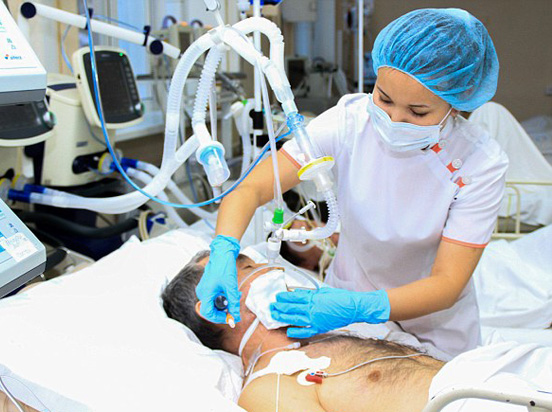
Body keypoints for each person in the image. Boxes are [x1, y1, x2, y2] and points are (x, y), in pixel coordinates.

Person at [195, 8, 509, 358]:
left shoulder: (480, 164)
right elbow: (251, 188)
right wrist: (223, 249)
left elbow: (447, 283)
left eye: (418, 112)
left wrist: (360, 306)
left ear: (455, 106)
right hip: (347, 305)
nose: (393, 119)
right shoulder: (350, 121)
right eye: (384, 98)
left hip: (432, 325)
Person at [163, 252, 552, 412]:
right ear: (217, 306)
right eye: (247, 267)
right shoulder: (268, 388)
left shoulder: (337, 333)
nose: (271, 268)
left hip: (496, 380)